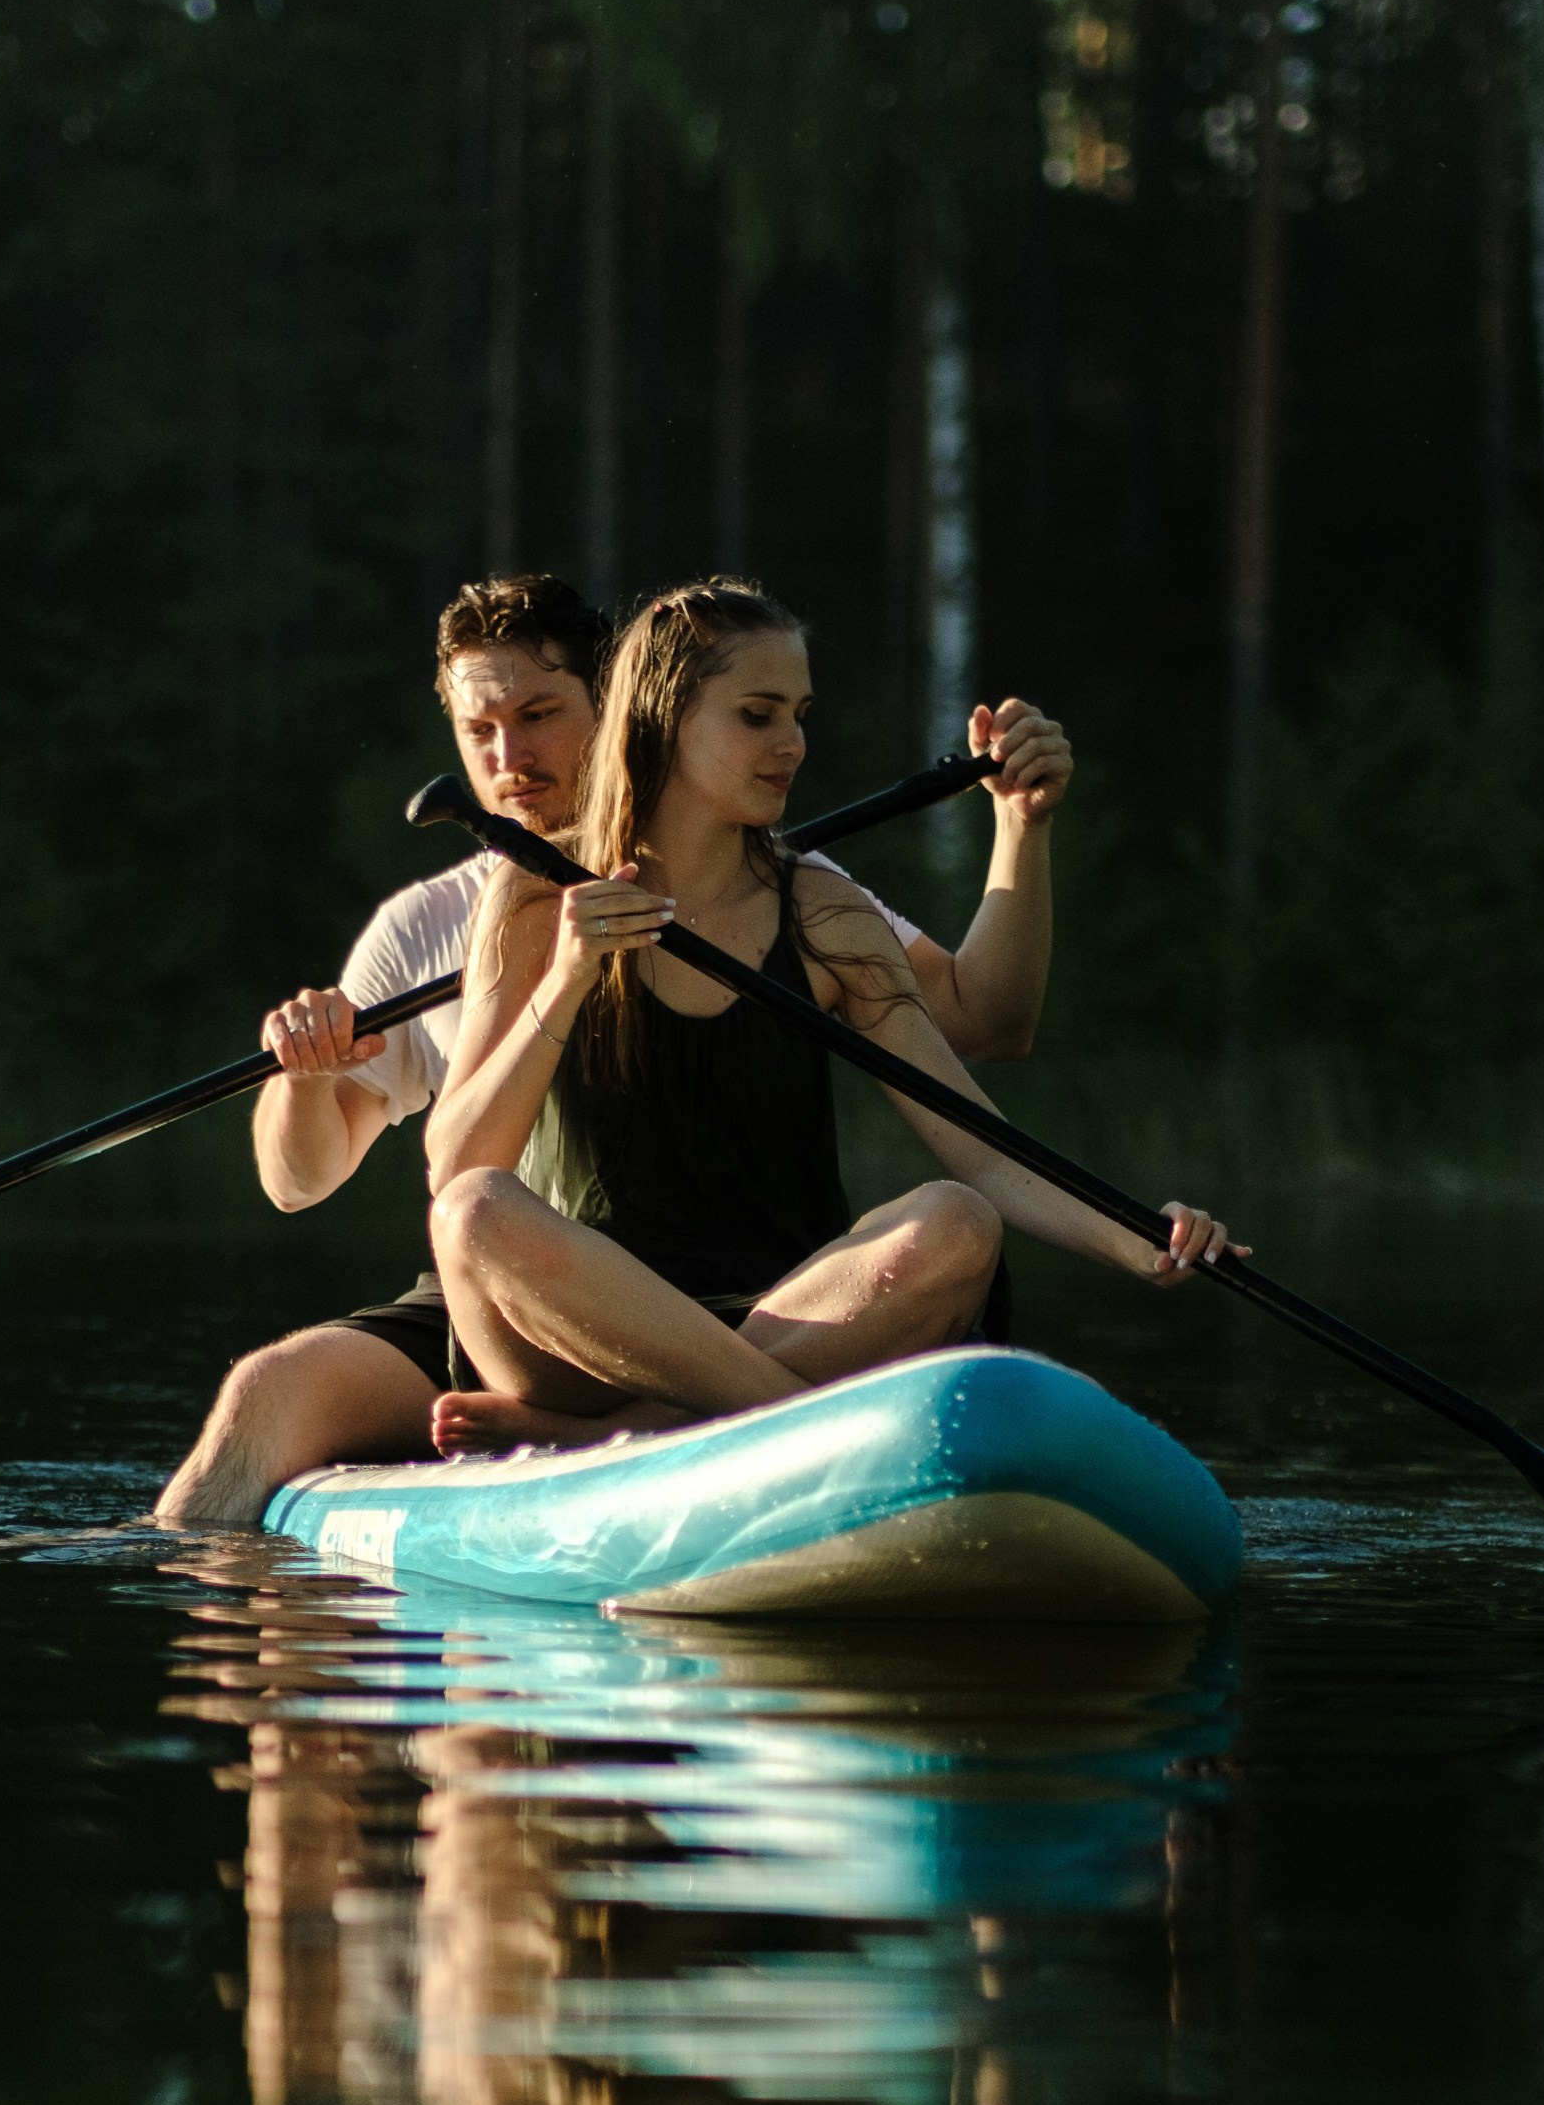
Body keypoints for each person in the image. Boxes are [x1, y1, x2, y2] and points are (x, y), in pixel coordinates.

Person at [154, 571, 1077, 1525]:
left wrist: (1020, 825)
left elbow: (984, 1022)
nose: (509, 755)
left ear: (628, 704)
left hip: (751, 1292)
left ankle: (659, 1422)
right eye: (480, 730)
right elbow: (299, 1178)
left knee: (938, 1224)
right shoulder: (429, 920)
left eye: (540, 714)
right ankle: (178, 1600)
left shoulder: (774, 880)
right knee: (264, 1394)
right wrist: (305, 1077)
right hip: (519, 1306)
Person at [423, 579, 1239, 1451]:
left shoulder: (823, 912)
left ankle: (648, 1430)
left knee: (958, 1219)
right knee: (474, 1211)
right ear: (663, 716)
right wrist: (568, 977)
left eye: (799, 715)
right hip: (580, 1339)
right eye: (758, 716)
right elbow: (458, 1166)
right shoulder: (534, 892)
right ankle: (756, 1418)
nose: (793, 746)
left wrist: (1142, 1239)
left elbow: (982, 1151)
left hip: (797, 1316)